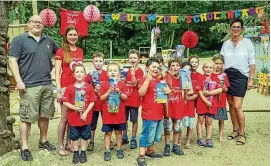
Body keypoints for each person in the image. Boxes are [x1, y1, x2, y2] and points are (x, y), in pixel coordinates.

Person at [8, 15, 59, 161]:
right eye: (34, 22)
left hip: (47, 84)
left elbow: (61, 54)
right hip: (28, 85)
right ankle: (24, 146)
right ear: (28, 24)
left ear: (44, 25)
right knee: (26, 117)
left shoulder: (48, 40)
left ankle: (43, 141)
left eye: (40, 22)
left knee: (45, 115)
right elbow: (12, 60)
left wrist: (59, 67)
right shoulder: (20, 40)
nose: (37, 24)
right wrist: (18, 81)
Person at [220, 18, 256, 145]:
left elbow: (252, 62)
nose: (235, 29)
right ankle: (235, 129)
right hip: (227, 76)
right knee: (230, 105)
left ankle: (242, 133)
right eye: (233, 27)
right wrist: (219, 77)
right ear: (230, 29)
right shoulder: (226, 44)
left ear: (241, 29)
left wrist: (251, 79)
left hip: (241, 76)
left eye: (238, 27)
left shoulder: (247, 43)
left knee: (237, 106)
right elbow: (221, 61)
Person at [136, 58, 171, 166]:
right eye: (153, 67)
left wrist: (168, 92)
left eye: (158, 67)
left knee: (154, 136)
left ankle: (150, 152)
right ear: (147, 68)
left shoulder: (160, 81)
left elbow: (165, 98)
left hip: (159, 114)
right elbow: (140, 93)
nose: (156, 69)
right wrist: (147, 80)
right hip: (149, 114)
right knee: (146, 134)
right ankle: (141, 156)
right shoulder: (143, 79)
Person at [55, 26, 84, 156]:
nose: (73, 37)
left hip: (78, 89)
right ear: (66, 36)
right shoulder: (61, 51)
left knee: (73, 118)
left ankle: (69, 143)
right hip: (66, 88)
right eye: (70, 34)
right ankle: (60, 145)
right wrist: (59, 90)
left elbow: (80, 71)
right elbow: (57, 72)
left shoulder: (80, 51)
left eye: (75, 34)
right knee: (64, 118)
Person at [62, 64, 95, 164]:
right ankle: (76, 152)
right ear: (73, 74)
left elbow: (92, 101)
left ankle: (83, 152)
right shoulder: (70, 88)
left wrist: (85, 113)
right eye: (77, 72)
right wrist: (75, 108)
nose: (79, 74)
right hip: (74, 119)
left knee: (85, 136)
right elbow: (65, 101)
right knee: (75, 136)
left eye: (81, 71)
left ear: (85, 74)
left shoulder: (89, 87)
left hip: (86, 118)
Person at [100, 63, 129, 161]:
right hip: (108, 115)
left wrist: (119, 92)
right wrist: (108, 92)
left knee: (118, 132)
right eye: (110, 70)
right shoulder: (104, 84)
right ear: (107, 73)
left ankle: (119, 148)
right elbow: (101, 98)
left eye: (115, 70)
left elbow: (125, 98)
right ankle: (107, 150)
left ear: (119, 73)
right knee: (108, 133)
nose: (112, 72)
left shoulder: (122, 84)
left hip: (119, 115)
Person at [84, 51, 109, 151]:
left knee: (107, 122)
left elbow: (110, 86)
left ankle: (109, 141)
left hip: (104, 103)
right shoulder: (90, 75)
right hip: (93, 104)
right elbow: (85, 86)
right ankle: (91, 141)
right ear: (92, 62)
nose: (98, 63)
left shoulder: (107, 74)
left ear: (103, 62)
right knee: (92, 124)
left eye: (100, 61)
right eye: (96, 61)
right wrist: (92, 89)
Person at [196, 62, 222, 148]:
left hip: (212, 103)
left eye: (210, 68)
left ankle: (208, 138)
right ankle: (199, 138)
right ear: (203, 68)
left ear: (213, 69)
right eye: (206, 67)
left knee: (209, 121)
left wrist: (209, 93)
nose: (208, 69)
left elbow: (220, 89)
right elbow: (199, 91)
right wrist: (205, 101)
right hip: (202, 103)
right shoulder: (200, 77)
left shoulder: (216, 78)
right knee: (200, 120)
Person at [163, 57, 185, 156]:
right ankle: (167, 146)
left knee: (177, 128)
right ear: (169, 67)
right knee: (168, 128)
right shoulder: (166, 77)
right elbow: (166, 88)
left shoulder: (183, 78)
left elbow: (188, 91)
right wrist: (170, 76)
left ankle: (175, 145)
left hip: (179, 107)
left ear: (180, 67)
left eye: (177, 65)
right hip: (168, 107)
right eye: (172, 65)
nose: (175, 67)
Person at [122, 49, 144, 149]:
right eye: (131, 58)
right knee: (123, 119)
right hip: (124, 99)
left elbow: (135, 84)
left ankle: (134, 138)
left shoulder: (139, 71)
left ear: (138, 60)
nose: (132, 60)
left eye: (134, 58)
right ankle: (124, 136)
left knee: (134, 120)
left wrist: (132, 73)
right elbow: (121, 83)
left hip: (134, 100)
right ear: (128, 59)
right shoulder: (124, 70)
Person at [212, 55, 230, 143]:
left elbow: (226, 89)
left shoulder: (224, 75)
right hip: (211, 101)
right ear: (213, 63)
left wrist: (224, 87)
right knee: (209, 119)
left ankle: (220, 135)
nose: (218, 65)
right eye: (216, 63)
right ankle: (208, 135)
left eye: (220, 64)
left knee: (221, 119)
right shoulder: (210, 74)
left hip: (221, 100)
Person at [182, 62, 199, 148]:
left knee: (190, 123)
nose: (187, 72)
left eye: (189, 70)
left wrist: (188, 98)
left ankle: (188, 140)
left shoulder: (193, 81)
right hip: (181, 105)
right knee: (179, 123)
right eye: (185, 69)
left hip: (190, 105)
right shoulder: (178, 80)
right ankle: (178, 140)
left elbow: (195, 93)